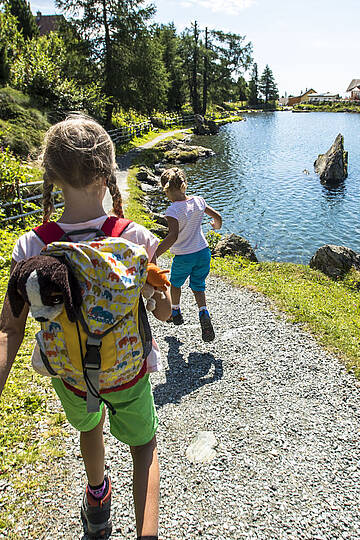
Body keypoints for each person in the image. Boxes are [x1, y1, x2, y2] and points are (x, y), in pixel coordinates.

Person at [0, 116, 171, 540]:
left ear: (51, 176)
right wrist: (162, 297)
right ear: (109, 170)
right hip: (127, 371)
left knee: (90, 426)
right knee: (144, 447)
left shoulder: (31, 246)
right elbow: (164, 312)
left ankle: (97, 500)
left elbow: (10, 330)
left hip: (71, 375)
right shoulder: (136, 238)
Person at [155, 167, 222, 342]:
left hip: (184, 256)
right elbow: (218, 217)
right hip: (203, 252)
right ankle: (203, 312)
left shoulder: (172, 211)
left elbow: (173, 236)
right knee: (198, 285)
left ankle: (175, 311)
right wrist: (217, 225)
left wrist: (155, 254)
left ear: (166, 190)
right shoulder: (199, 201)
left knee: (175, 284)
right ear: (184, 186)